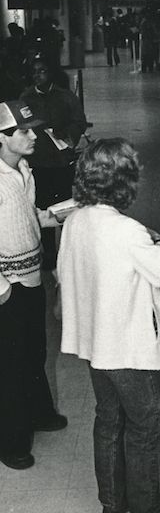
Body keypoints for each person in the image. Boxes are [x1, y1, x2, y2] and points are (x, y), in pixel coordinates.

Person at [57, 138, 160, 513]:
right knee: (145, 428)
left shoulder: (75, 221)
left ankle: (112, 504)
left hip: (95, 344)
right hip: (127, 349)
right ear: (124, 182)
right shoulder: (128, 231)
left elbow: (63, 273)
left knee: (108, 422)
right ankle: (147, 508)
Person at [0, 100, 67, 471]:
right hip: (7, 285)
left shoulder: (24, 169)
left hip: (30, 275)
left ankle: (39, 412)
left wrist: (55, 216)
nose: (32, 136)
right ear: (1, 138)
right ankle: (11, 441)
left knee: (34, 350)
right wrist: (2, 288)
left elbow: (26, 217)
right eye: (23, 131)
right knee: (9, 363)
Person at [20, 58, 87, 270]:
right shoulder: (26, 98)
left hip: (62, 162)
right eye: (34, 72)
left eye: (42, 70)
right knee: (43, 208)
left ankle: (69, 250)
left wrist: (68, 135)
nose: (38, 75)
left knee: (66, 208)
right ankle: (49, 253)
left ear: (51, 73)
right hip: (39, 163)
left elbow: (79, 121)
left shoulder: (66, 97)